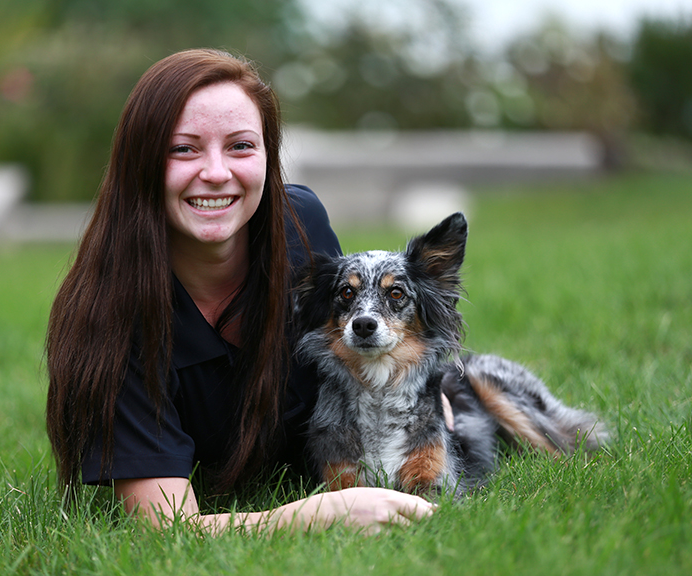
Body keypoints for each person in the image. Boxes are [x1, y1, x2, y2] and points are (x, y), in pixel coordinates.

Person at [45, 48, 436, 534]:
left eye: (241, 146)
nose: (215, 172)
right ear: (140, 163)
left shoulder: (301, 226)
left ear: (268, 157)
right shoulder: (110, 316)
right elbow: (165, 528)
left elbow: (371, 357)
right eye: (183, 148)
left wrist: (432, 409)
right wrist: (316, 515)